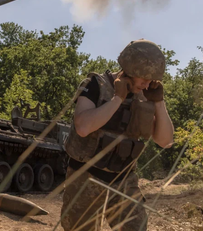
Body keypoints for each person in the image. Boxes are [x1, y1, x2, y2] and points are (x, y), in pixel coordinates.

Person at [61, 39, 174, 231]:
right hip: (86, 177)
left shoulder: (145, 96)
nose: (147, 84)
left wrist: (159, 103)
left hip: (123, 180)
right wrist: (117, 99)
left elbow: (166, 141)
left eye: (151, 80)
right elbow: (83, 127)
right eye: (144, 78)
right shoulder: (96, 84)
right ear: (130, 68)